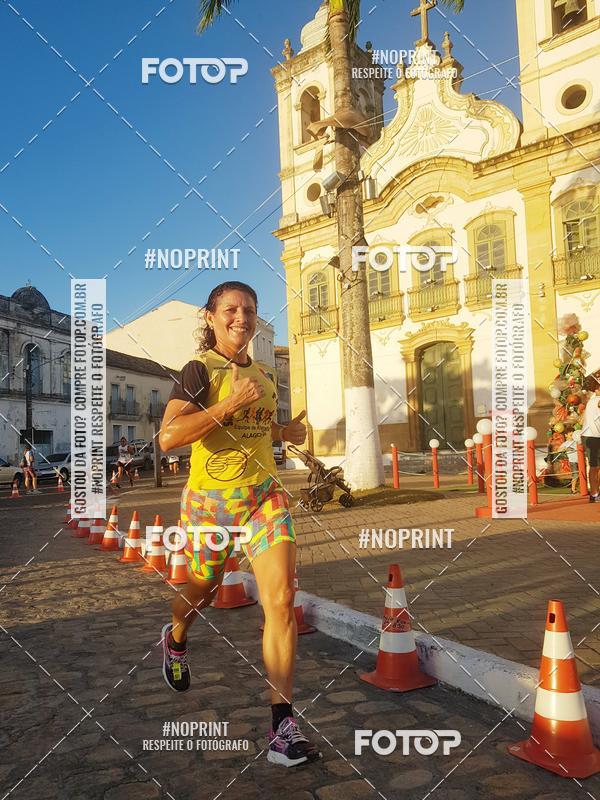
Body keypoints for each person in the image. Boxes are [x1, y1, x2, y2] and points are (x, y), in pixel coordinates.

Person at [159, 281, 320, 767]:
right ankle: (176, 636)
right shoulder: (198, 370)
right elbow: (169, 437)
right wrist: (227, 403)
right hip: (210, 504)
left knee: (281, 599)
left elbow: (258, 424)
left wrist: (285, 431)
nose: (241, 317)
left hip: (263, 497)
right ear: (211, 317)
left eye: (249, 309)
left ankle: (282, 729)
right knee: (202, 589)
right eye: (230, 309)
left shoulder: (264, 374)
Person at [582, 371, 600, 502]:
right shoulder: (594, 401)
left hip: (597, 435)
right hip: (591, 436)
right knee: (594, 466)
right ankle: (594, 494)